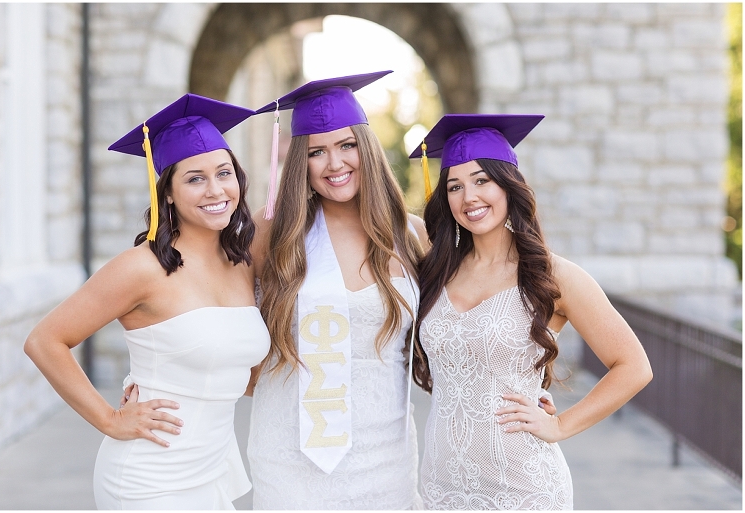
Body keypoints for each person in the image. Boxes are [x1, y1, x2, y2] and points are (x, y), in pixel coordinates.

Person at [24, 94, 270, 509]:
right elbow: (44, 340)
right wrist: (110, 419)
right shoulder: (141, 268)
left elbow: (239, 372)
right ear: (167, 193)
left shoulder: (241, 263)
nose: (215, 190)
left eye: (224, 173)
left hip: (212, 470)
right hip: (149, 477)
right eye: (195, 178)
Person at [409, 114, 653, 510]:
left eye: (482, 180)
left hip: (522, 487)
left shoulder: (553, 276)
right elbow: (382, 219)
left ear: (509, 186)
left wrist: (560, 425)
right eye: (455, 186)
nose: (468, 196)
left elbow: (634, 365)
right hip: (442, 484)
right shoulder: (437, 269)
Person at [246, 71, 429, 509]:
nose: (335, 164)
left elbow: (456, 321)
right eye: (317, 152)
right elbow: (219, 310)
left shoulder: (410, 235)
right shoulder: (271, 233)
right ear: (299, 164)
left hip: (387, 458)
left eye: (347, 146)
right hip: (290, 457)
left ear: (366, 148)